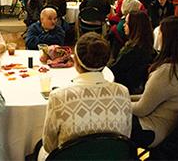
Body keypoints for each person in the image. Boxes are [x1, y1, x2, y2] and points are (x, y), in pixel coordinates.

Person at [39, 32, 131, 160]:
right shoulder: (123, 92)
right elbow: (125, 136)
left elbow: (49, 146)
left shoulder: (59, 97)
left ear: (76, 61)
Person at [131, 16, 178, 148]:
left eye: (160, 32)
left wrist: (117, 103)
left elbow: (142, 109)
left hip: (150, 129)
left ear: (168, 38)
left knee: (105, 120)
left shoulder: (167, 72)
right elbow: (149, 98)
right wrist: (123, 96)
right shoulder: (176, 66)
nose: (157, 34)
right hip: (166, 127)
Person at [109, 11, 155, 94]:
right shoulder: (149, 48)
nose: (124, 25)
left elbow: (114, 71)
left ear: (134, 26)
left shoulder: (131, 52)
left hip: (124, 91)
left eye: (126, 23)